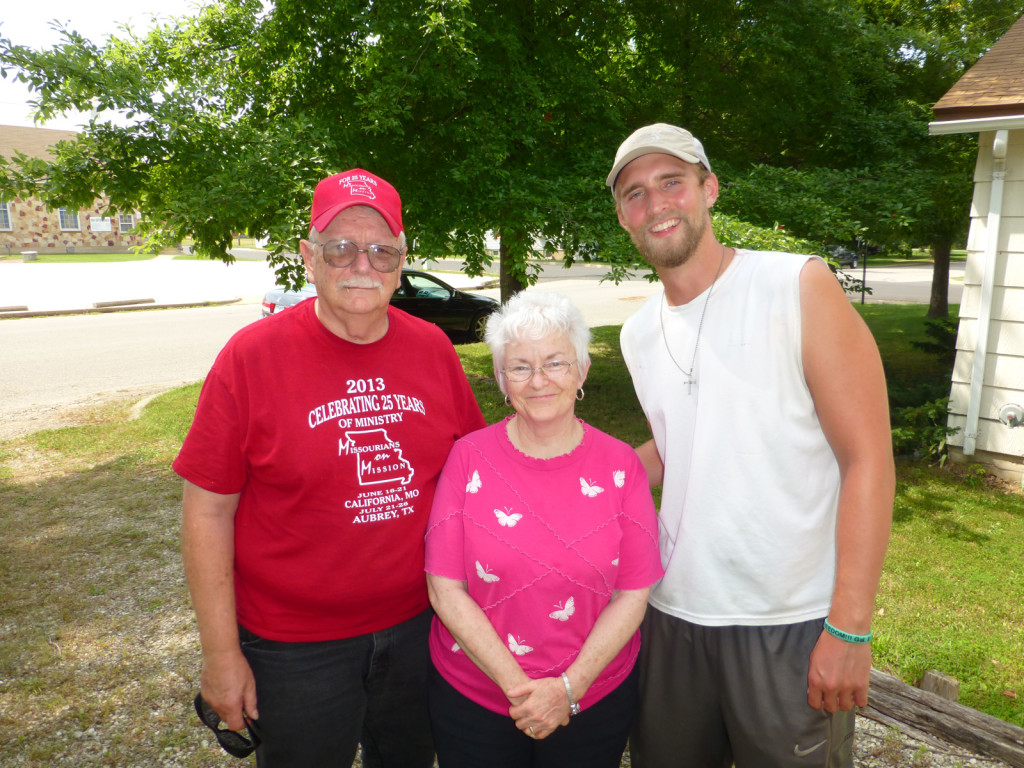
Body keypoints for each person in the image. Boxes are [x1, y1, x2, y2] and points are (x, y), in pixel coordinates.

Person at [174, 168, 486, 768]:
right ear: (308, 258)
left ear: (400, 261)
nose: (361, 264)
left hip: (422, 625)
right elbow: (207, 509)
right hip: (293, 649)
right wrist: (220, 655)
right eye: (340, 247)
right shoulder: (251, 357)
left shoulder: (432, 350)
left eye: (380, 249)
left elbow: (474, 476)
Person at [606, 123, 895, 767]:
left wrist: (849, 624)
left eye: (672, 182)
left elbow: (868, 457)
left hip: (787, 623)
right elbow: (677, 445)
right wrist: (582, 478)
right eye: (634, 193)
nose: (655, 203)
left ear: (710, 189)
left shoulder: (796, 285)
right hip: (669, 615)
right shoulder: (636, 333)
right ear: (623, 216)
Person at [424, 291, 664, 768]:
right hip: (476, 696)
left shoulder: (621, 465)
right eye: (520, 367)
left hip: (592, 697)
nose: (538, 381)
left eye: (556, 362)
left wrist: (567, 690)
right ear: (500, 379)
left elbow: (634, 594)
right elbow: (444, 588)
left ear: (582, 372)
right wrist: (522, 691)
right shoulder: (468, 458)